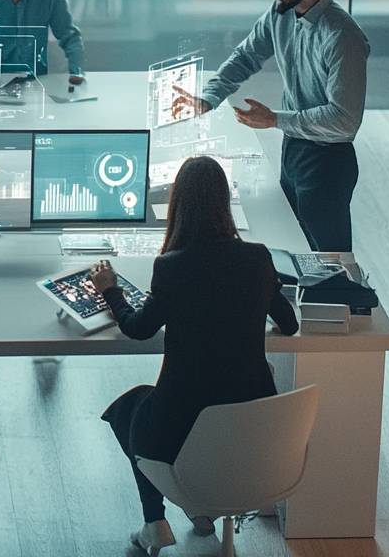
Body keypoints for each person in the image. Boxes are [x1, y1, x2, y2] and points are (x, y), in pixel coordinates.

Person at [91, 156, 298, 555]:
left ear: (177, 205)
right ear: (225, 201)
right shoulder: (257, 258)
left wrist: (110, 289)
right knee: (156, 409)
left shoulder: (172, 267)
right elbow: (288, 324)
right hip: (253, 431)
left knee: (128, 408)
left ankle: (155, 523)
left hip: (182, 428)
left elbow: (137, 328)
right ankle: (202, 512)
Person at [172, 0, 369, 252]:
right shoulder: (281, 14)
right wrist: (209, 97)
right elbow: (246, 56)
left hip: (327, 162)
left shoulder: (342, 36)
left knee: (331, 260)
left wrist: (276, 119)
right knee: (293, 245)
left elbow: (344, 122)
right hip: (294, 149)